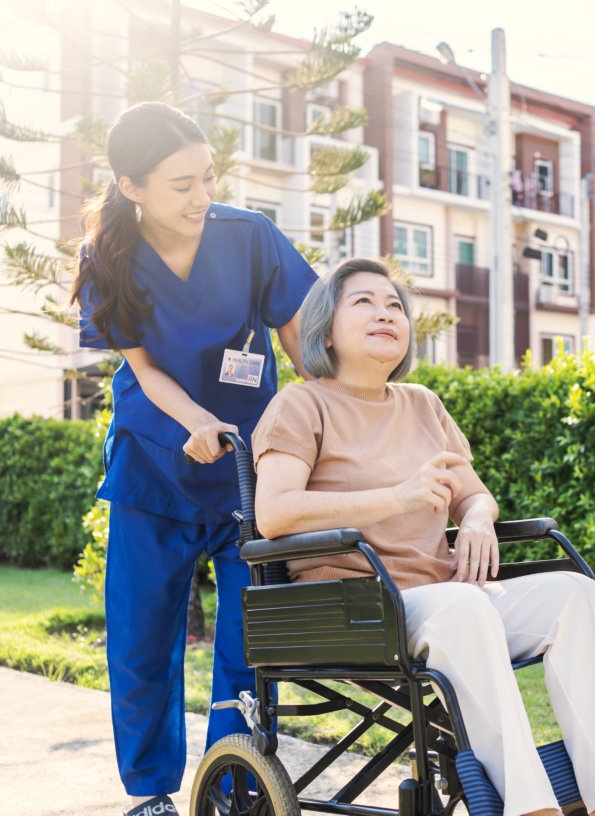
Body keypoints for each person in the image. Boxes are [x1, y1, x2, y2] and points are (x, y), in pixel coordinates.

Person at [251, 257, 595, 816]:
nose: (386, 313)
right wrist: (396, 499)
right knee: (464, 607)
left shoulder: (423, 404)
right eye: (363, 302)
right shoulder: (301, 403)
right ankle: (530, 807)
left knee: (577, 595)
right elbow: (274, 513)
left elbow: (473, 494)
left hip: (444, 598)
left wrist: (479, 519)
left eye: (395, 306)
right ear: (325, 329)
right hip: (357, 604)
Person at [70, 101, 317, 816]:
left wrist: (329, 430)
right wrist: (199, 420)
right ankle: (150, 795)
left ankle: (235, 785)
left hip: (254, 477)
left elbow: (306, 354)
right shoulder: (107, 257)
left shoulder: (251, 238)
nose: (201, 197)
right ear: (130, 186)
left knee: (248, 648)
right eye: (181, 184)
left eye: (208, 177)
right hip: (154, 467)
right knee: (142, 646)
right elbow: (144, 372)